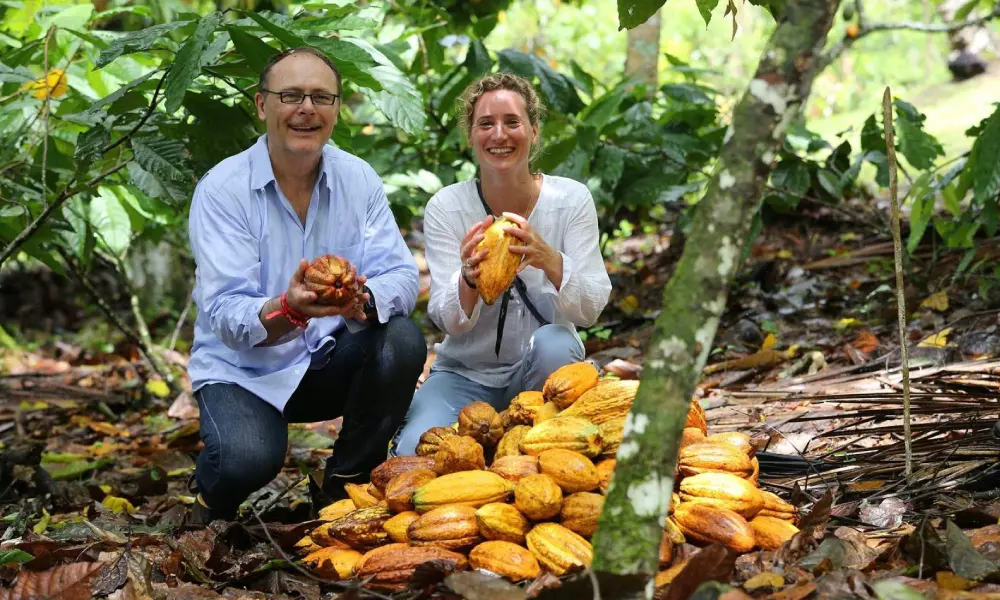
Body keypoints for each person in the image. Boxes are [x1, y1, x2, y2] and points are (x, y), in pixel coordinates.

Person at [186, 47, 426, 523]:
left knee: (400, 339)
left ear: (338, 108)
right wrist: (289, 308)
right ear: (261, 105)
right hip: (244, 371)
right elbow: (226, 315)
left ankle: (343, 489)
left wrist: (365, 298)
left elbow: (400, 274)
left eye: (321, 97)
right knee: (246, 459)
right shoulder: (223, 189)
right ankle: (211, 500)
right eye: (290, 95)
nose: (306, 109)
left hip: (327, 360)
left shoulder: (358, 179)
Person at [392, 73, 612, 456]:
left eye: (512, 122)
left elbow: (591, 307)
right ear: (471, 136)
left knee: (555, 342)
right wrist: (469, 280)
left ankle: (544, 444)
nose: (499, 135)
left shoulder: (570, 200)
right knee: (417, 454)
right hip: (464, 376)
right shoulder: (447, 207)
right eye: (486, 124)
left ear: (534, 131)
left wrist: (549, 259)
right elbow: (448, 321)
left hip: (541, 372)